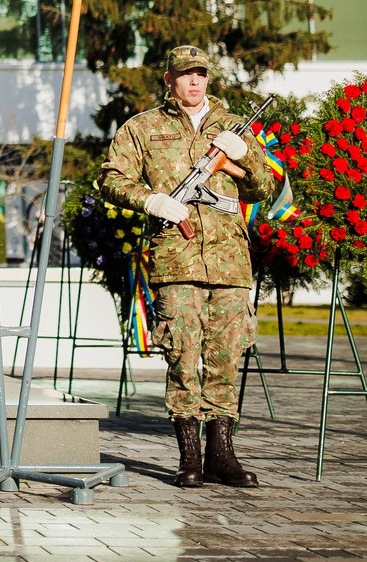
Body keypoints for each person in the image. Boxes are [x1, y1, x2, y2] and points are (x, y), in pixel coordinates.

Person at [101, 45, 278, 489]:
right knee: (183, 355)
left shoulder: (232, 127)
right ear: (169, 80)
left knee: (227, 356)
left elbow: (265, 188)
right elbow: (112, 178)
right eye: (185, 75)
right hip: (176, 260)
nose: (194, 81)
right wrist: (153, 199)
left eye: (200, 74)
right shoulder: (143, 128)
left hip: (230, 262)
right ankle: (190, 458)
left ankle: (223, 455)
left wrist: (241, 163)